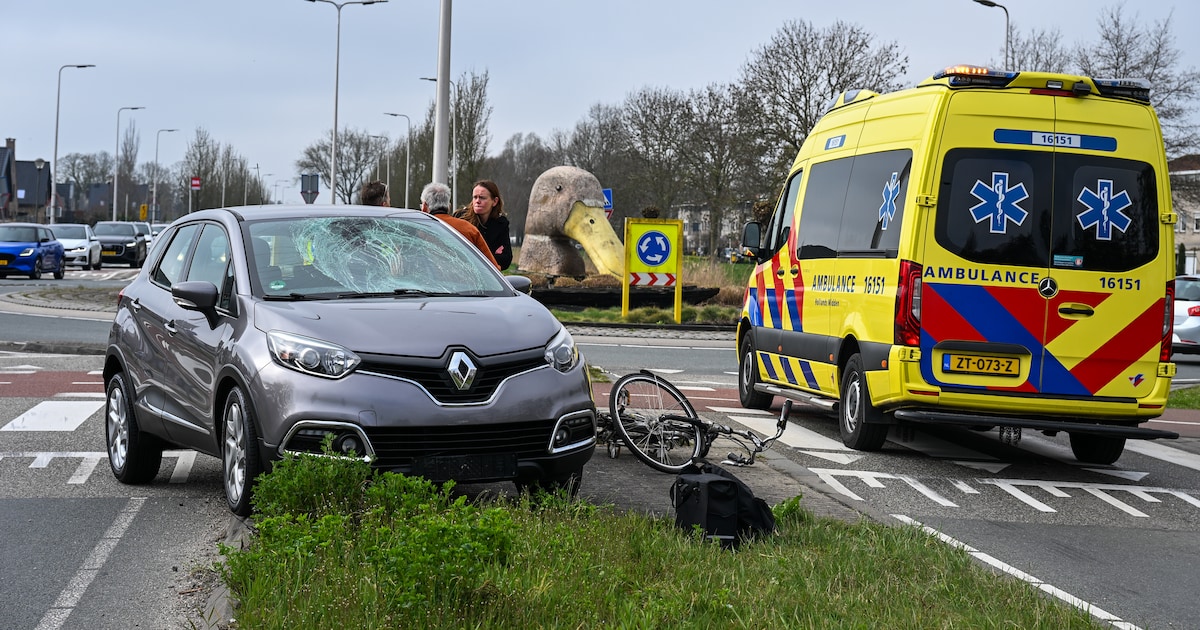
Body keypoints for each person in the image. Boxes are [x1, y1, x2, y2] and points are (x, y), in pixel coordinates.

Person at [420, 182, 500, 270]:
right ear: (449, 206)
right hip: (464, 282)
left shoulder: (416, 229)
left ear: (424, 206)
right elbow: (493, 267)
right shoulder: (468, 229)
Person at [455, 179, 512, 270]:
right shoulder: (461, 219)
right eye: (475, 197)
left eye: (482, 198)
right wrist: (491, 255)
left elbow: (505, 259)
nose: (477, 201)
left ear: (495, 201)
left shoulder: (501, 224)